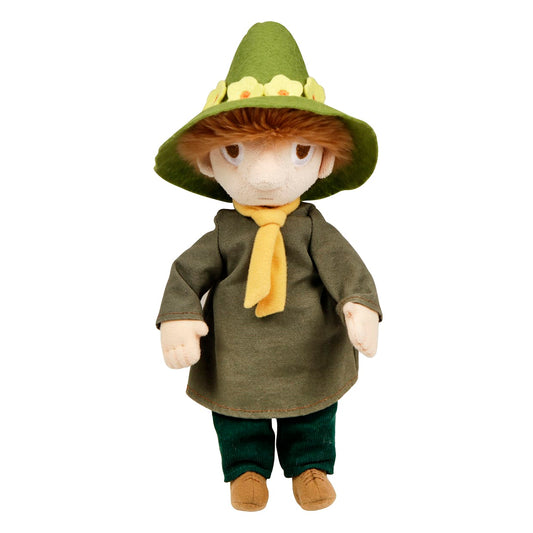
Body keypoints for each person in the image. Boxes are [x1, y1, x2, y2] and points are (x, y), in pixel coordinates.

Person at [154, 22, 382, 512]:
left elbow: (347, 268)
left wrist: (359, 304)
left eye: (297, 151)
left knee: (313, 412)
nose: (264, 174)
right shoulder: (224, 232)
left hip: (310, 348)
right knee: (237, 417)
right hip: (237, 355)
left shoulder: (313, 228)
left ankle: (310, 465)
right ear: (210, 162)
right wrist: (178, 316)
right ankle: (246, 469)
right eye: (236, 151)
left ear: (322, 160)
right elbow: (186, 274)